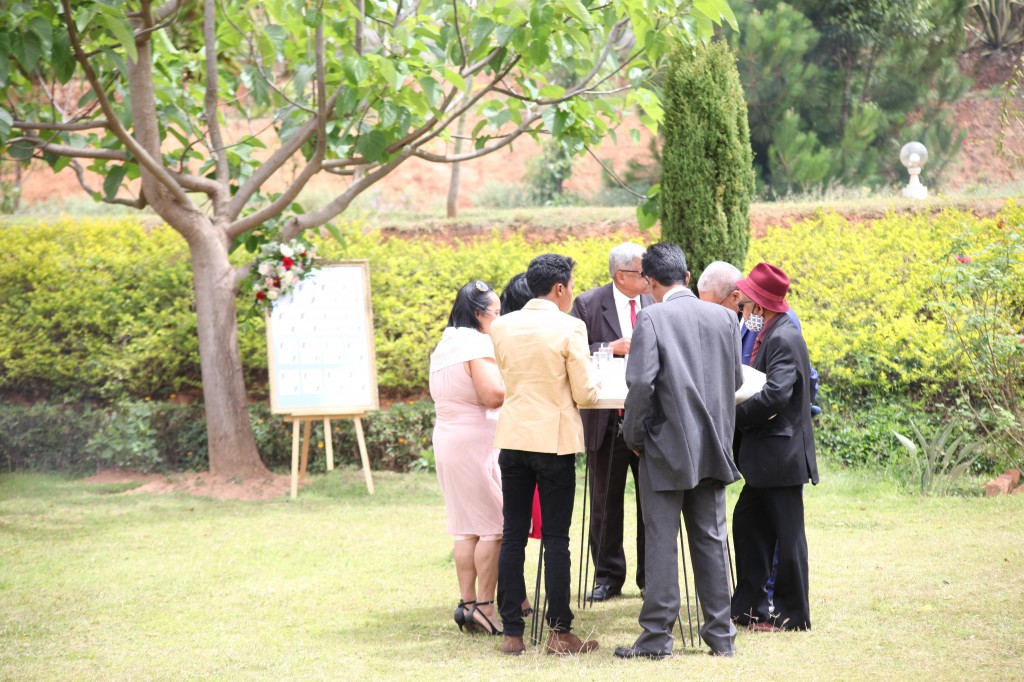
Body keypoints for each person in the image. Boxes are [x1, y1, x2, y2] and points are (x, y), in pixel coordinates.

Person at [613, 242, 743, 660]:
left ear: (649, 283)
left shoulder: (650, 317)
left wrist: (632, 437)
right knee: (711, 539)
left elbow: (640, 388)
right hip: (714, 445)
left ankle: (656, 639)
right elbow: (736, 380)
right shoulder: (725, 316)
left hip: (665, 445)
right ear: (687, 277)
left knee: (661, 540)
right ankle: (721, 637)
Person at [490, 253, 601, 657]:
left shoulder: (501, 325)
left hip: (513, 438)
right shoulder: (570, 326)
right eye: (571, 285)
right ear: (559, 288)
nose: (572, 291)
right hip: (553, 443)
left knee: (513, 536)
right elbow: (587, 394)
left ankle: (512, 634)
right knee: (556, 539)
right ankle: (559, 633)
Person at [730, 262, 819, 632]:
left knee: (789, 536)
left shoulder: (782, 336)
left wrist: (734, 416)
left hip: (779, 455)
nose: (742, 310)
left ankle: (793, 614)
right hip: (765, 458)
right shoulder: (771, 331)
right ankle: (750, 608)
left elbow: (777, 394)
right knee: (749, 526)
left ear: (760, 308)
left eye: (746, 304)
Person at [570, 242, 652, 602]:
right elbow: (571, 355)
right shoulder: (588, 305)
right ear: (622, 276)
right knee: (604, 503)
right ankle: (607, 576)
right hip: (605, 420)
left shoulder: (656, 301)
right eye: (642, 271)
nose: (649, 277)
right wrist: (609, 348)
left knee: (653, 501)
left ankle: (651, 576)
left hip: (648, 420)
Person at [428, 280, 506, 636]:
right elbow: (492, 396)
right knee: (493, 527)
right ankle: (486, 607)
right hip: (475, 439)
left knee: (466, 529)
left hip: (446, 438)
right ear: (478, 313)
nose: (499, 318)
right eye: (497, 312)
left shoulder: (445, 344)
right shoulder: (476, 344)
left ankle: (466, 603)